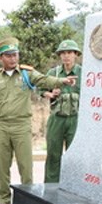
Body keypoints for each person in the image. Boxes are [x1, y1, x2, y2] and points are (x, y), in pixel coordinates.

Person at [0, 38, 77, 204]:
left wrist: (62, 82)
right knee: (2, 167)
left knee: (26, 167)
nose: (13, 59)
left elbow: (45, 80)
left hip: (22, 126)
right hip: (3, 126)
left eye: (16, 55)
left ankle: (26, 202)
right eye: (9, 56)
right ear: (1, 58)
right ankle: (4, 200)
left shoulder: (27, 73)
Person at [40, 40, 82, 183]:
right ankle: (50, 190)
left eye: (69, 52)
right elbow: (41, 89)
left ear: (76, 54)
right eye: (63, 53)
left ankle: (73, 187)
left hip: (76, 120)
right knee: (53, 155)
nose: (66, 56)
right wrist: (50, 94)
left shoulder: (83, 73)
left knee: (74, 156)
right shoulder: (53, 73)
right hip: (56, 119)